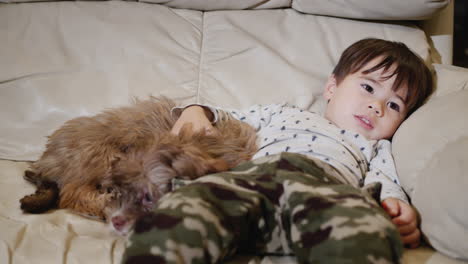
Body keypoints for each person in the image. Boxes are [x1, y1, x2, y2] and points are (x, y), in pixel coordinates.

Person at [122, 38, 433, 264]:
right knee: (185, 207)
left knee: (367, 230)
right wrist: (194, 110)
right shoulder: (284, 113)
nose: (376, 106)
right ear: (331, 87)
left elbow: (386, 180)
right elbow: (229, 116)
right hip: (251, 179)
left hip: (326, 193)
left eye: (394, 105)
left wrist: (395, 205)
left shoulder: (377, 146)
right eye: (368, 87)